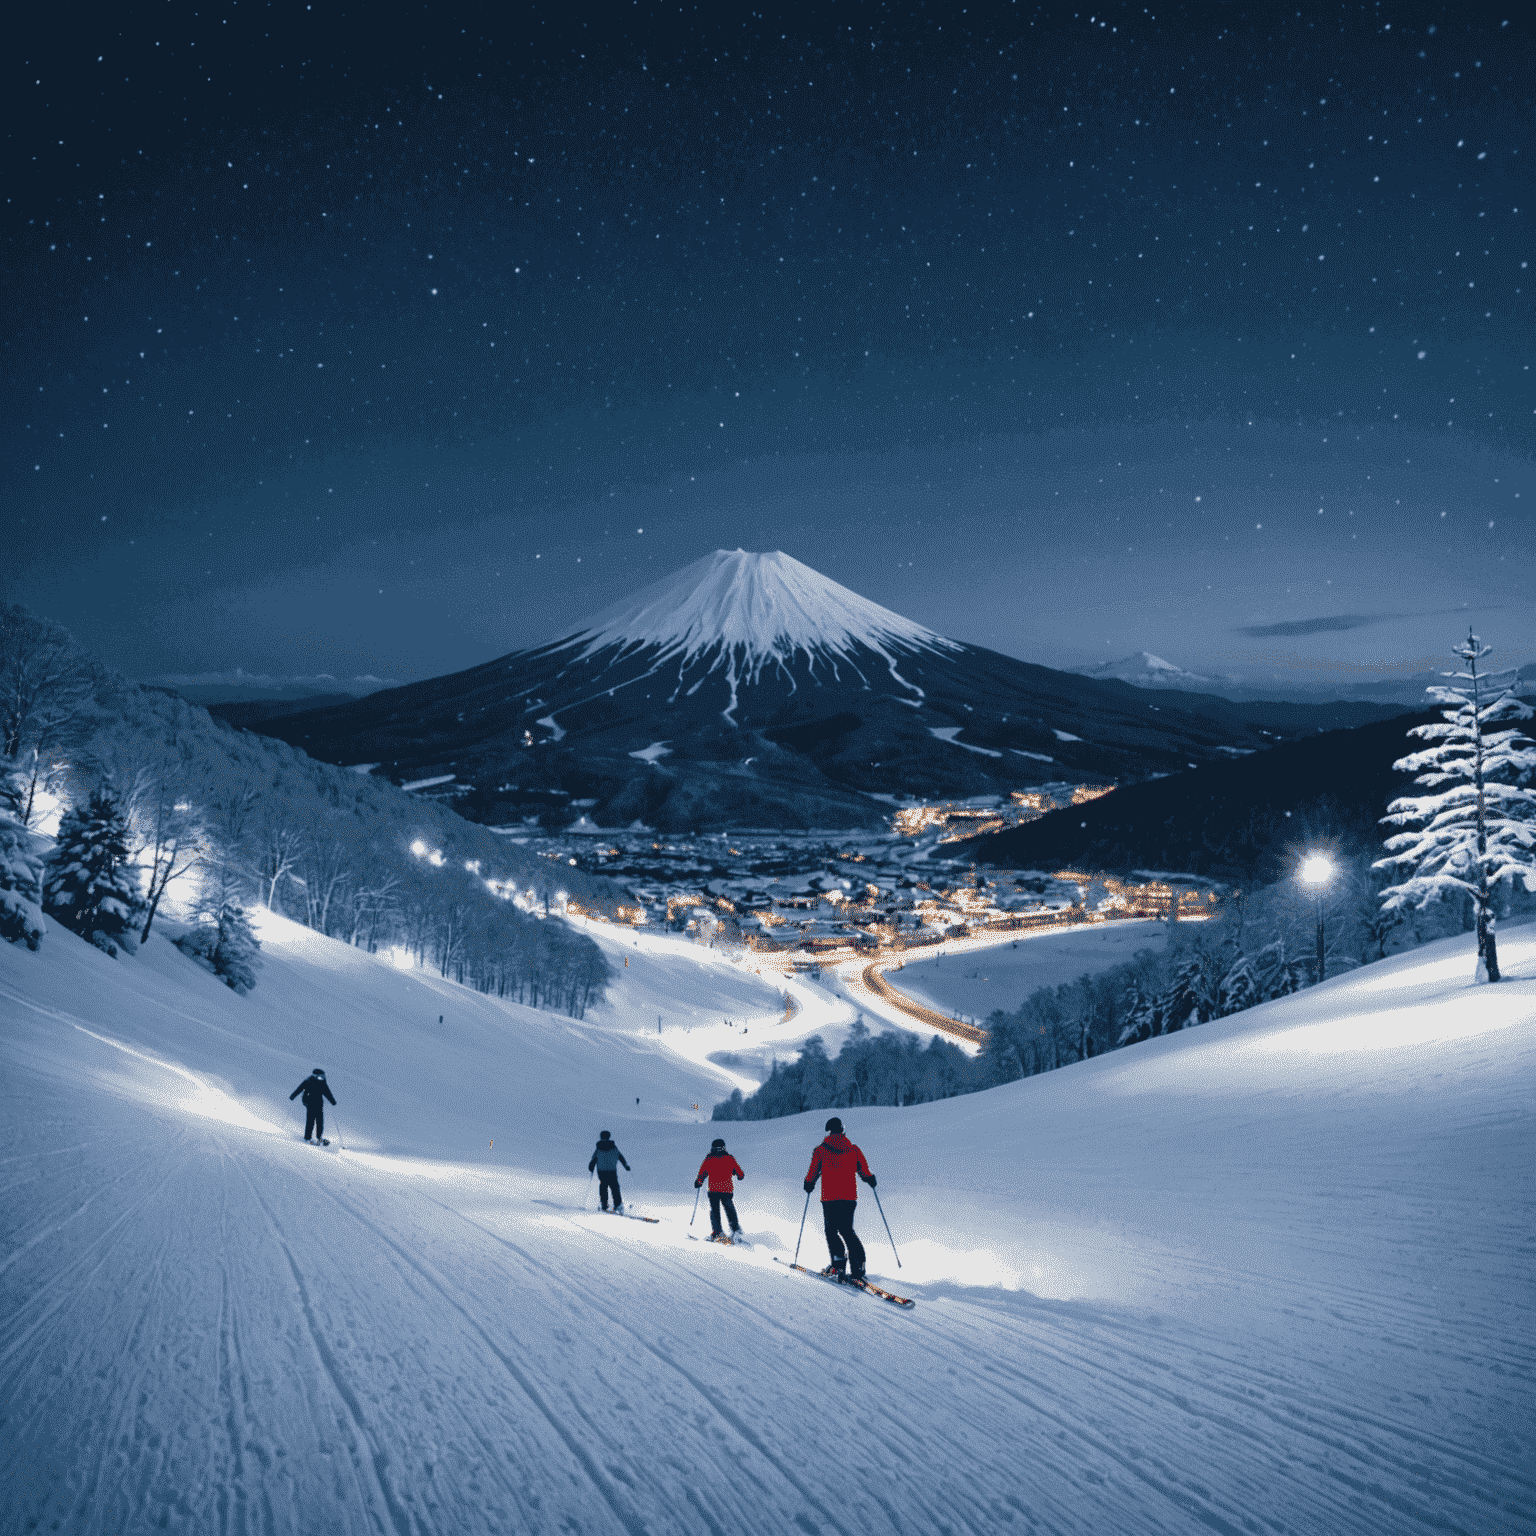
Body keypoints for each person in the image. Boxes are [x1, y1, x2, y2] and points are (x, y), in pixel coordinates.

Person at [803, 1116, 875, 1281]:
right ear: (843, 1130)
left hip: (830, 1199)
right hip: (849, 1199)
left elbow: (813, 1172)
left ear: (829, 1131)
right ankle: (858, 1267)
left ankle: (838, 1265)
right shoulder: (853, 1149)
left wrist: (808, 1184)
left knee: (831, 1231)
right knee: (847, 1231)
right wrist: (871, 1179)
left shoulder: (821, 1150)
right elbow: (864, 1172)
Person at [694, 1137, 746, 1240]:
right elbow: (740, 1174)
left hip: (713, 1191)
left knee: (714, 1211)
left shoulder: (709, 1159)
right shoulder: (729, 1159)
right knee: (729, 1209)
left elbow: (702, 1173)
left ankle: (717, 1232)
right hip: (726, 1190)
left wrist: (699, 1182)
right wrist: (738, 1175)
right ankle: (735, 1229)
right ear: (723, 1148)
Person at [290, 1068, 336, 1144]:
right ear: (315, 1075)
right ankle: (307, 1137)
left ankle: (319, 1137)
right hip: (309, 1102)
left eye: (323, 1076)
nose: (321, 1077)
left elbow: (327, 1092)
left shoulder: (322, 1082)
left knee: (320, 1121)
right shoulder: (309, 1081)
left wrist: (332, 1101)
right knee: (310, 1121)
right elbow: (300, 1088)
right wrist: (293, 1096)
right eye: (320, 1076)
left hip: (319, 1103)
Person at [588, 1130, 631, 1212]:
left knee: (603, 1187)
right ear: (609, 1137)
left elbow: (593, 1160)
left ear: (601, 1137)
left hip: (602, 1172)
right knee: (615, 1187)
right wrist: (626, 1165)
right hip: (612, 1171)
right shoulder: (614, 1147)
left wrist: (591, 1167)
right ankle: (618, 1205)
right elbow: (620, 1157)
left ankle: (604, 1204)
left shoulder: (598, 1148)